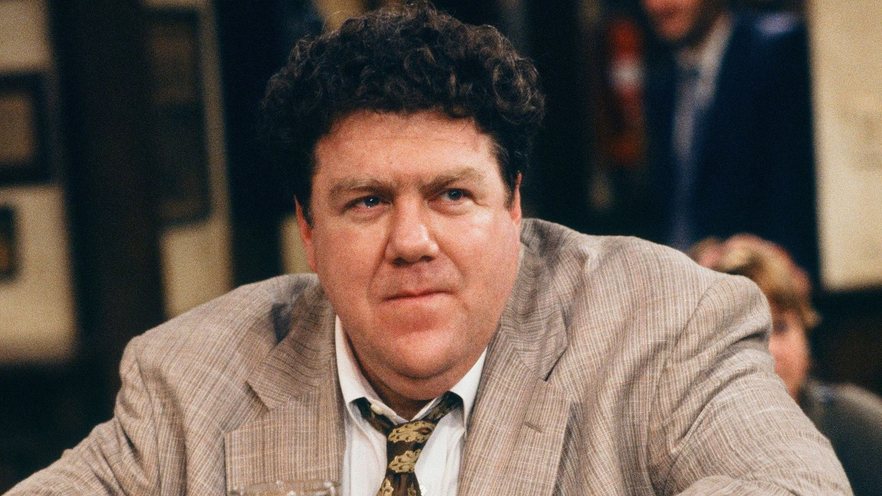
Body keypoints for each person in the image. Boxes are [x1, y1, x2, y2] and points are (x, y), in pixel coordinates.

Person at [8, 3, 849, 495]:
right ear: (308, 230)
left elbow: (790, 483)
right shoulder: (190, 381)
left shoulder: (664, 325)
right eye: (367, 202)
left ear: (513, 206)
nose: (411, 243)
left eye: (452, 195)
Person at [692, 234, 882, 496]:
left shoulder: (857, 424)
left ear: (805, 330)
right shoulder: (690, 449)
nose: (770, 350)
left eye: (781, 327)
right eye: (748, 334)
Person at [640, 0, 818, 279]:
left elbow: (793, 190)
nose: (659, 5)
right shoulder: (662, 80)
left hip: (761, 282)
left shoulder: (776, 51)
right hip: (682, 284)